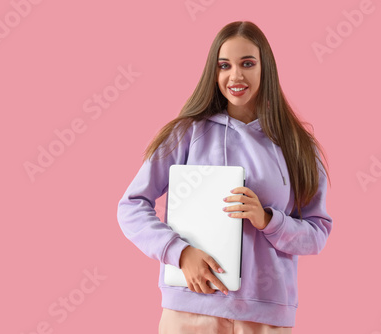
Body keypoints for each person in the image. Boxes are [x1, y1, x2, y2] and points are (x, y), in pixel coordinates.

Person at [117, 20, 333, 333]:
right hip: (190, 310)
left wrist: (268, 220)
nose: (235, 76)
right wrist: (179, 253)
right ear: (213, 72)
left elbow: (317, 232)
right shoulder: (186, 134)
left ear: (266, 69)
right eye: (224, 65)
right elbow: (131, 206)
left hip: (265, 316)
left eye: (248, 63)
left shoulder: (298, 146)